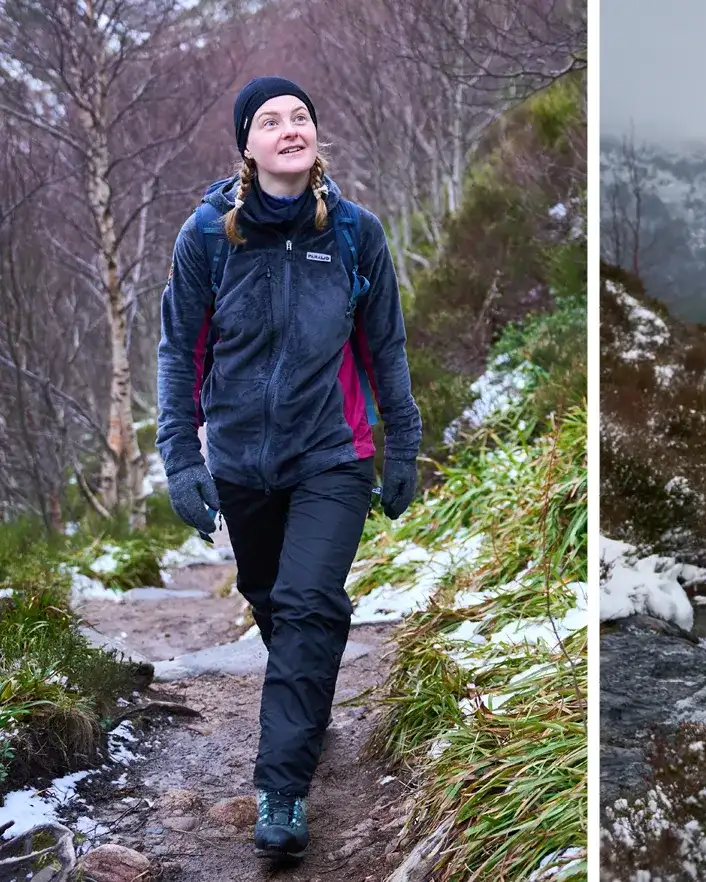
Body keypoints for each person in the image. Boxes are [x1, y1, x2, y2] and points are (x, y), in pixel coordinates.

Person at [154, 75, 422, 861]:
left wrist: (400, 443)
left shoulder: (353, 233)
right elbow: (181, 353)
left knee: (309, 603)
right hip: (241, 459)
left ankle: (282, 791)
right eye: (269, 120)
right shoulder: (208, 236)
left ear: (315, 137)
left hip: (331, 453)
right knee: (273, 599)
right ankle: (305, 707)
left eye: (300, 115)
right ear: (247, 145)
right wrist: (181, 459)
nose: (288, 127)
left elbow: (385, 346)